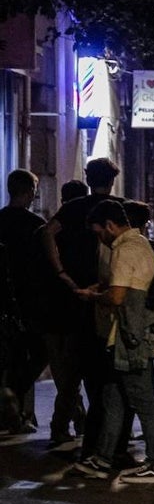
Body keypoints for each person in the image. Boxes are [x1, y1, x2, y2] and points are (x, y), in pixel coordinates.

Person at [72, 200, 154, 482]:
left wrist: (94, 297)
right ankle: (103, 458)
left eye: (99, 232)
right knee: (113, 397)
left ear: (111, 226)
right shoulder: (148, 246)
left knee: (143, 401)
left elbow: (117, 297)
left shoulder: (124, 250)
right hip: (140, 332)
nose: (99, 238)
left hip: (130, 336)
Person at [42, 158, 122, 457]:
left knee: (73, 366)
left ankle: (65, 426)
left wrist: (61, 272)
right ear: (112, 180)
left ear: (88, 178)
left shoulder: (73, 207)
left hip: (72, 294)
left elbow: (47, 232)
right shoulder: (118, 207)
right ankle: (96, 431)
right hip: (106, 293)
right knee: (103, 370)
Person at [0, 169, 48, 433]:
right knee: (35, 354)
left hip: (4, 300)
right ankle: (14, 404)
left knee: (9, 358)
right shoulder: (35, 226)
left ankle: (13, 410)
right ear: (30, 192)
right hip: (28, 300)